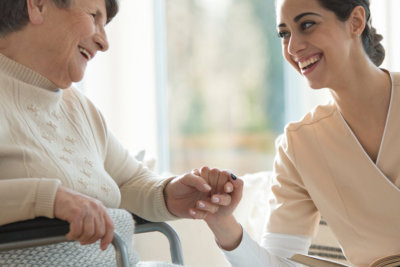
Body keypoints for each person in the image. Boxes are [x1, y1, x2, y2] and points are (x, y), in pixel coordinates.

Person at [0, 0, 236, 265]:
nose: (104, 43)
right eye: (94, 17)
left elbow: (126, 183)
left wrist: (169, 194)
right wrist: (49, 198)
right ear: (39, 6)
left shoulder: (78, 107)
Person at [196, 0, 400, 266]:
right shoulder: (299, 144)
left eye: (307, 25)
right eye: (284, 34)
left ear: (356, 22)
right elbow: (277, 261)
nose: (293, 47)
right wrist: (222, 223)